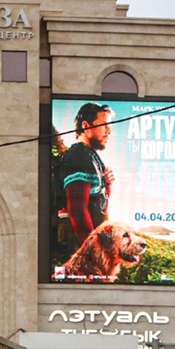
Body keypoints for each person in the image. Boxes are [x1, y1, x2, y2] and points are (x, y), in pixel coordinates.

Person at [60, 101, 115, 250]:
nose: (109, 131)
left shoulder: (91, 156)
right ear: (86, 126)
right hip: (79, 250)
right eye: (104, 124)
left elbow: (99, 202)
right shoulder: (79, 156)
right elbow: (77, 210)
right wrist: (93, 251)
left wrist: (108, 184)